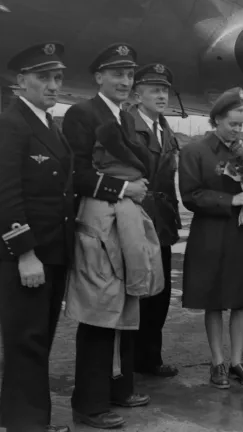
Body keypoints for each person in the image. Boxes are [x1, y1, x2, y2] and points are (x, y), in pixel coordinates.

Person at [0, 43, 74, 432]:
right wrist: (24, 253)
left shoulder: (47, 123)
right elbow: (3, 197)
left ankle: (31, 420)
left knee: (40, 337)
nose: (53, 86)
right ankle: (26, 424)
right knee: (26, 341)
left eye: (57, 78)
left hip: (52, 250)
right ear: (22, 81)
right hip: (28, 253)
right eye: (44, 77)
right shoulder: (10, 126)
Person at [62, 43, 150, 430]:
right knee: (100, 310)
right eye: (116, 74)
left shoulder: (125, 117)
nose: (124, 81)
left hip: (125, 222)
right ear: (98, 76)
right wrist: (124, 189)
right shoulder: (82, 114)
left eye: (129, 75)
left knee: (127, 303)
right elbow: (76, 174)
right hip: (99, 224)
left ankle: (119, 387)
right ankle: (90, 403)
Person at [179, 87, 243, 389]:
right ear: (216, 120)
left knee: (241, 300)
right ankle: (217, 362)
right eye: (232, 124)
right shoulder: (195, 151)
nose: (237, 131)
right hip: (211, 234)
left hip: (241, 233)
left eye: (241, 125)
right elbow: (190, 195)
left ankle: (236, 362)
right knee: (213, 301)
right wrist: (230, 201)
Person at [129, 63, 182, 378]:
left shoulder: (166, 129)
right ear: (138, 94)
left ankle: (150, 358)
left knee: (159, 295)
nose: (161, 95)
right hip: (136, 222)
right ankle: (129, 361)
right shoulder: (127, 125)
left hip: (161, 224)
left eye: (164, 90)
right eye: (154, 90)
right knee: (137, 294)